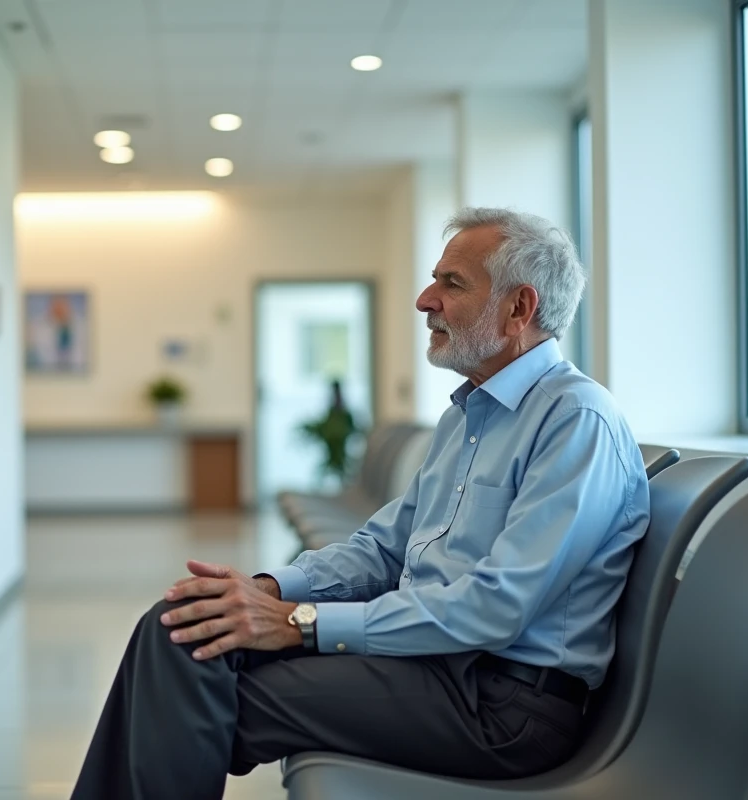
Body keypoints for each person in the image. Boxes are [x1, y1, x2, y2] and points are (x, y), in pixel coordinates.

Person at [70, 208, 651, 800]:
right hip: (431, 663)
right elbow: (382, 550)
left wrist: (303, 625)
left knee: (182, 696)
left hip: (501, 704)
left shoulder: (577, 421)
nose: (426, 300)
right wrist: (270, 590)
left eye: (452, 283)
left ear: (519, 308)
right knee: (177, 627)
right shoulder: (465, 418)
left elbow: (498, 606)